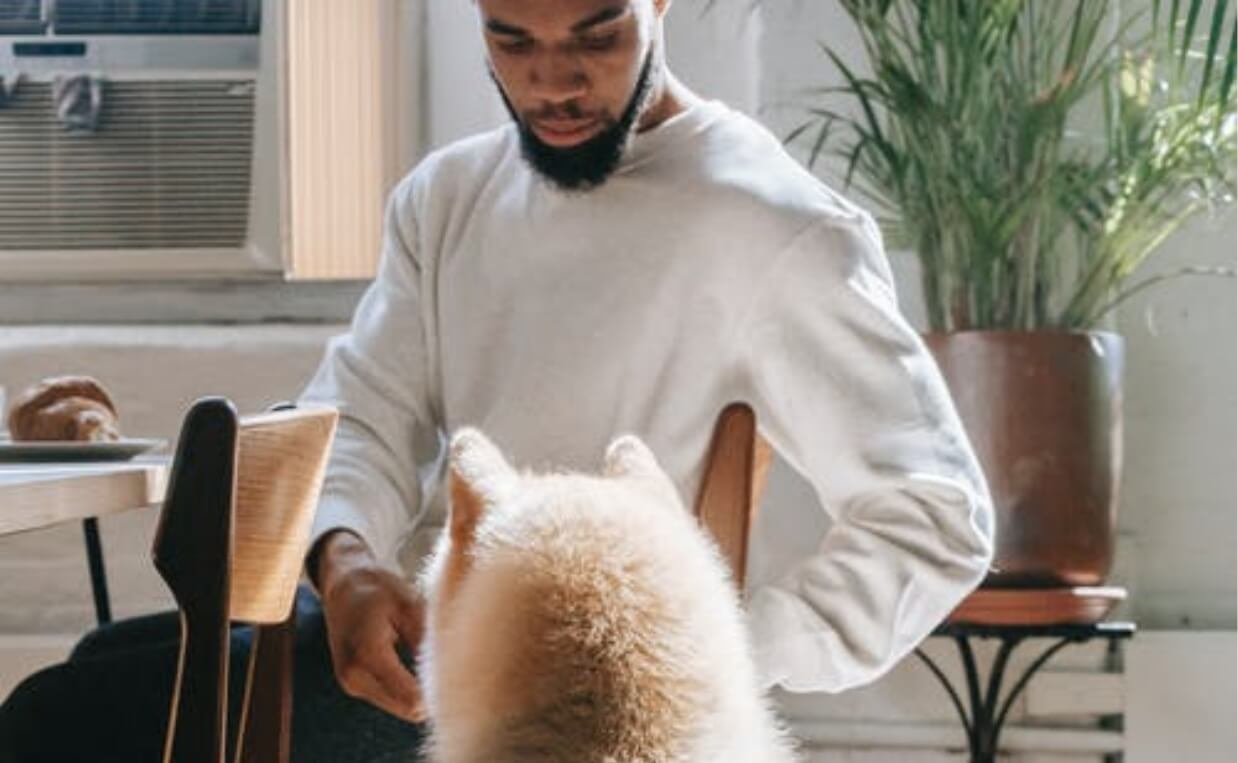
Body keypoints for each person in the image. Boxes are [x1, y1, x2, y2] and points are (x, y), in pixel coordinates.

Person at [0, 0, 996, 760]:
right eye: (512, 39)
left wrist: (703, 654)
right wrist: (343, 562)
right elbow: (359, 416)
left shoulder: (774, 227)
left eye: (594, 38)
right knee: (105, 667)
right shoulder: (447, 199)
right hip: (408, 645)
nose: (550, 82)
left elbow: (935, 515)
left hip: (539, 710)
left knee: (50, 720)